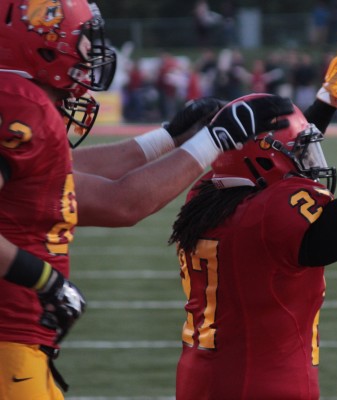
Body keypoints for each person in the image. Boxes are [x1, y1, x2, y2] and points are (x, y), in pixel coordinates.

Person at [0, 1, 294, 399]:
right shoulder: (19, 105)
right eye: (85, 41)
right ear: (43, 41)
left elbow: (74, 180)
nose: (92, 55)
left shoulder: (22, 106)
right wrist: (45, 280)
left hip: (22, 347)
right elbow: (122, 203)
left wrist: (168, 137)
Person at [169, 28, 337, 400]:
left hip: (202, 379)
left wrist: (327, 101)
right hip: (263, 386)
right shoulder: (270, 214)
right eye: (301, 151)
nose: (307, 160)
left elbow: (274, 154)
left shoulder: (205, 195)